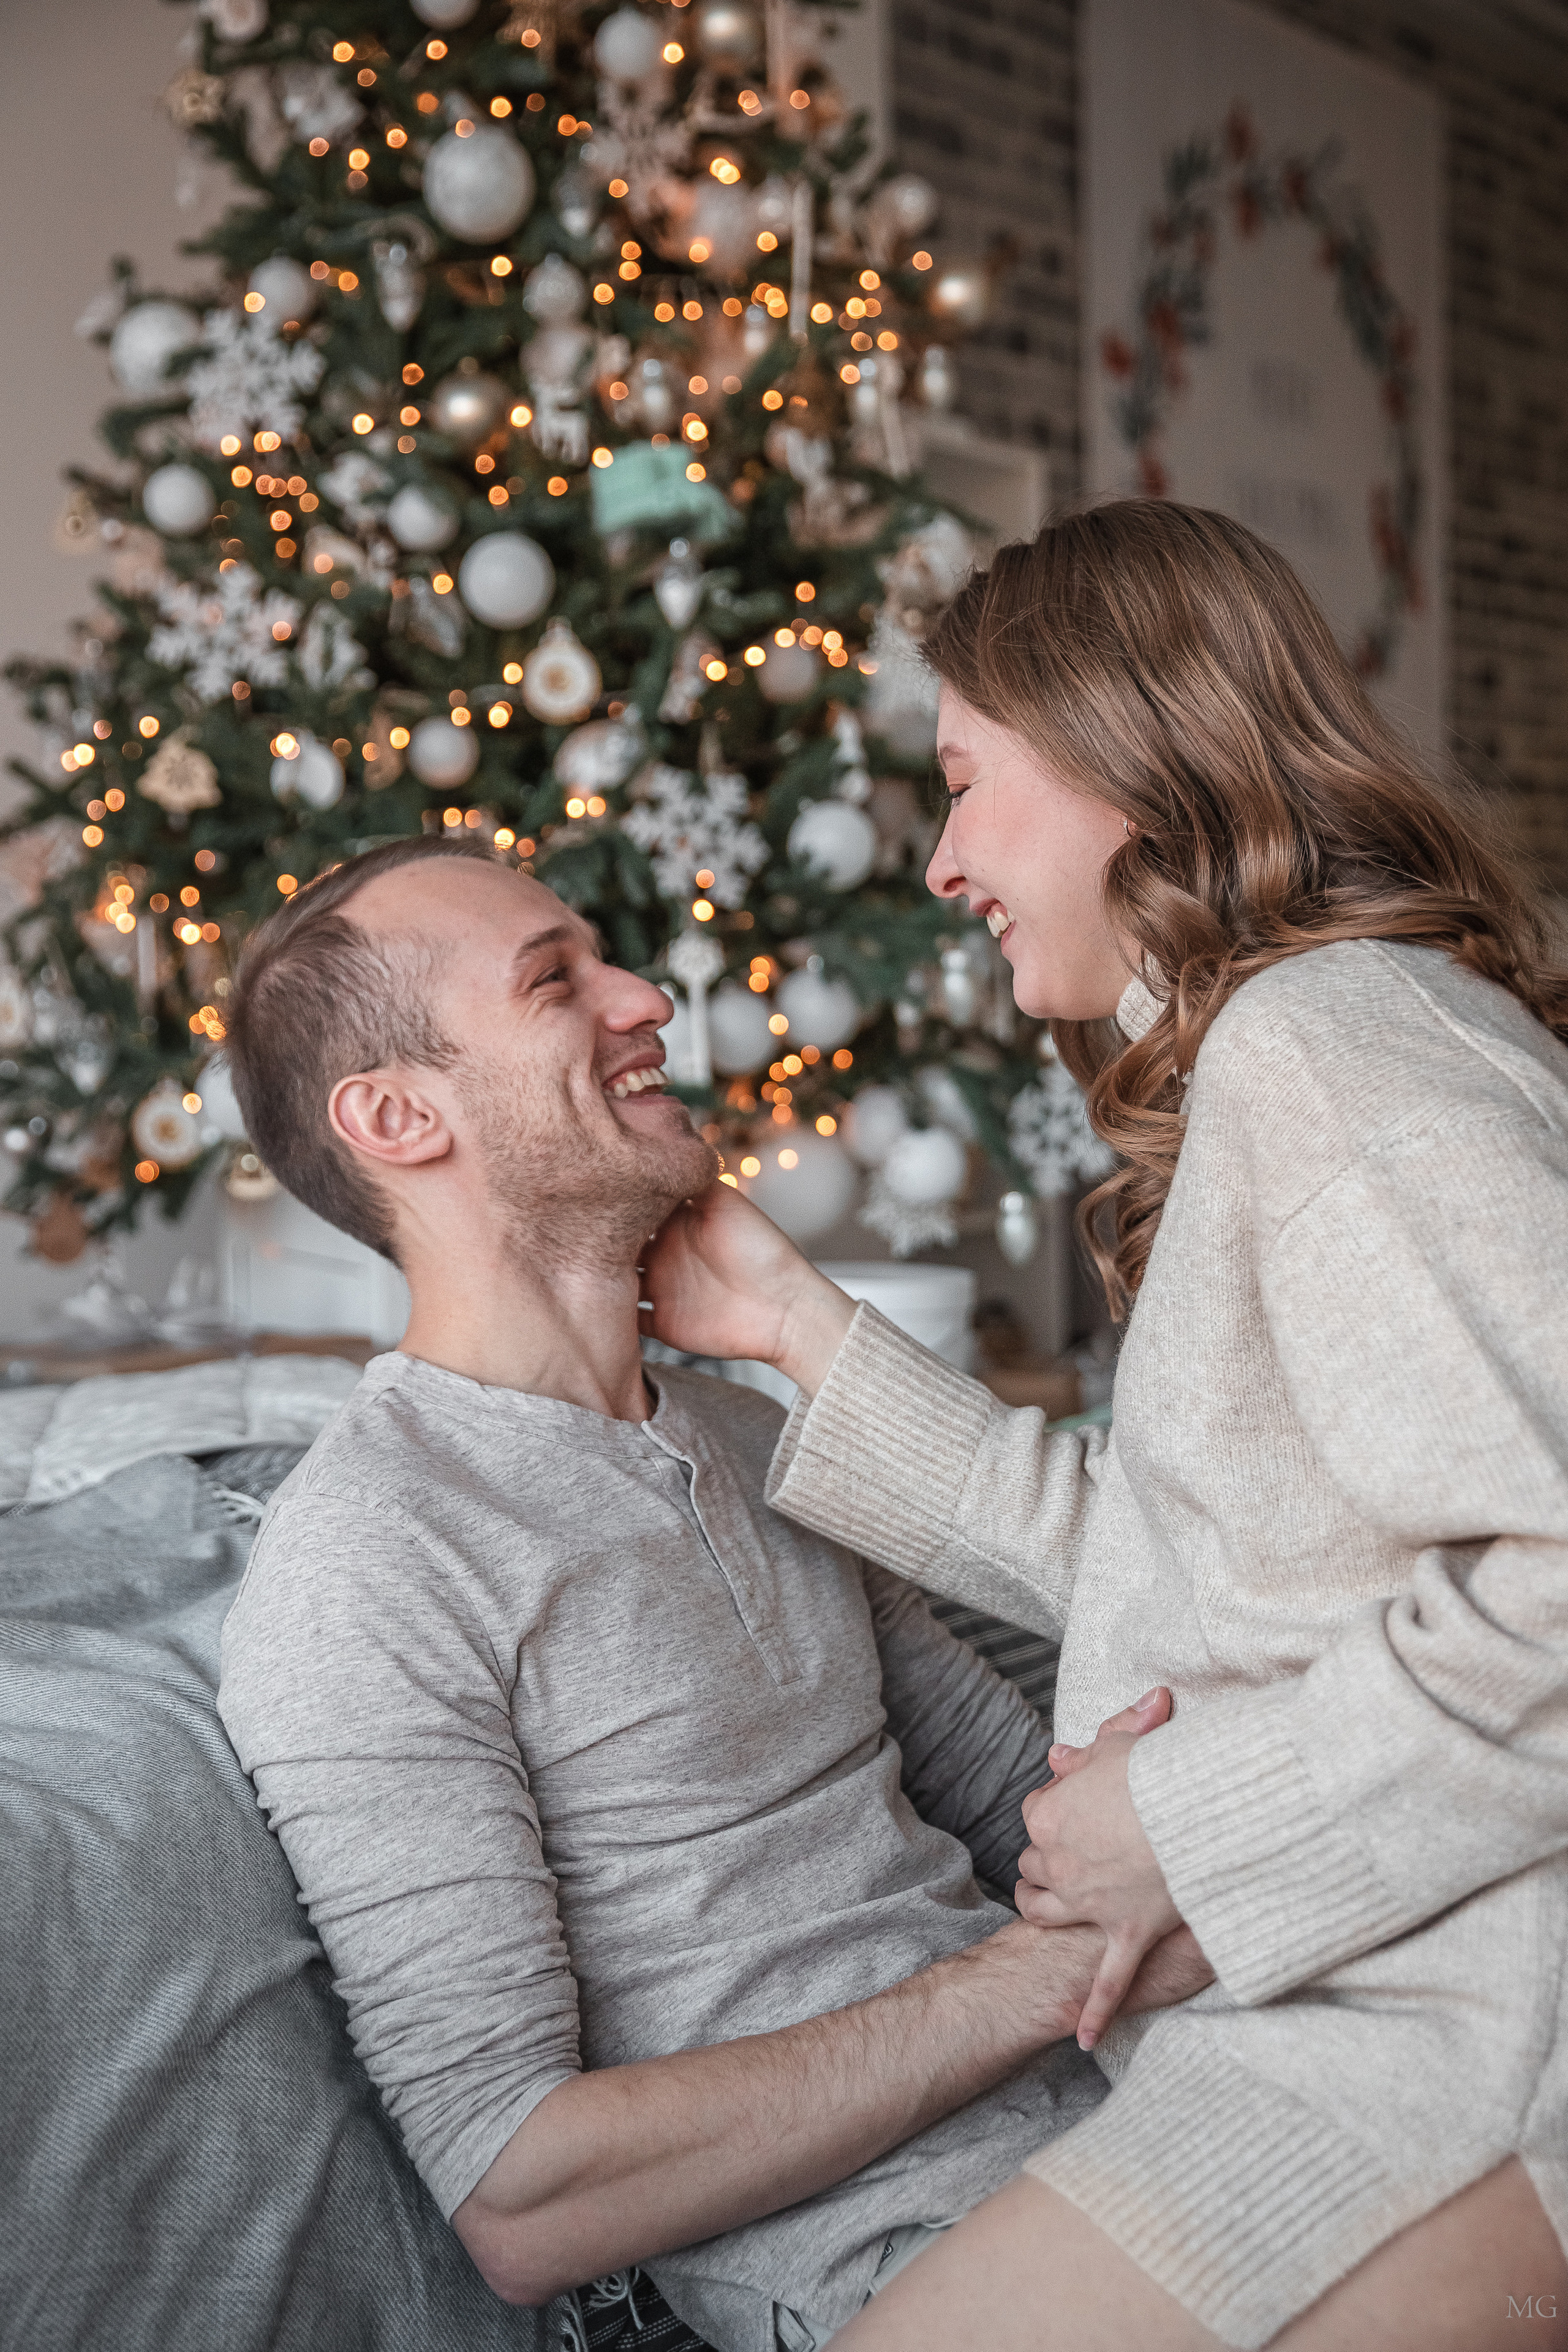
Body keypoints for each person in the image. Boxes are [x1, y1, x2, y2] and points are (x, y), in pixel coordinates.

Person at [641, 500, 1568, 2351]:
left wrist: (1189, 1827)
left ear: (1118, 759)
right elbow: (1207, 1562)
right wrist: (787, 1329)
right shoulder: (1301, 1047)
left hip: (1470, 2035)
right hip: (1366, 2003)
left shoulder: (1332, 1048)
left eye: (967, 783)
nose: (944, 860)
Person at [214, 835, 1209, 2352]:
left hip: (1158, 2109)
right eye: (558, 981)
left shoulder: (748, 1434)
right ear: (397, 1117)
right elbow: (518, 2196)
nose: (648, 999)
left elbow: (1031, 1800)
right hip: (915, 2263)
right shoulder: (371, 1555)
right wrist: (1045, 1972)